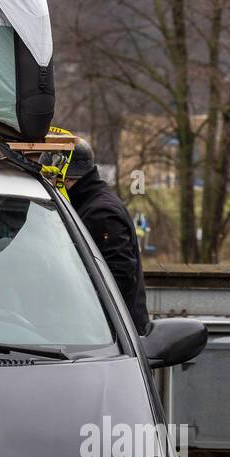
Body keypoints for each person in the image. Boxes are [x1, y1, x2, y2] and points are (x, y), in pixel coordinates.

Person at [52, 139, 150, 334]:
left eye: (54, 177)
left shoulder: (101, 212)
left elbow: (119, 278)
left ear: (66, 176)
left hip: (112, 336)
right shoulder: (89, 204)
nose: (53, 184)